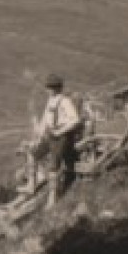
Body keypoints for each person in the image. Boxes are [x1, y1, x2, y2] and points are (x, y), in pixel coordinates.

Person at [38, 73, 83, 203]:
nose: (47, 90)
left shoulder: (65, 101)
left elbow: (75, 120)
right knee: (35, 153)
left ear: (56, 88)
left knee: (54, 164)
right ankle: (36, 184)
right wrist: (40, 135)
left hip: (63, 136)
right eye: (47, 87)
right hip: (52, 135)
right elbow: (45, 119)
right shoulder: (50, 100)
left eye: (49, 88)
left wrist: (60, 131)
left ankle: (52, 198)